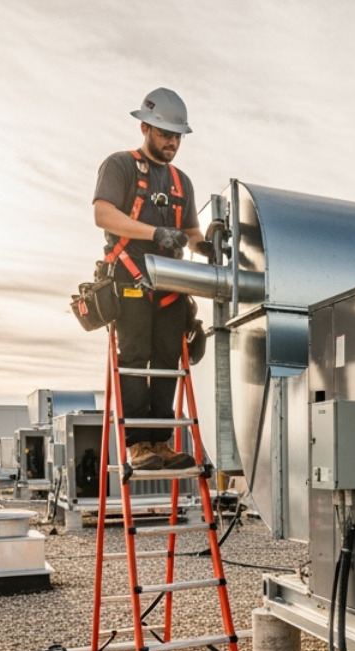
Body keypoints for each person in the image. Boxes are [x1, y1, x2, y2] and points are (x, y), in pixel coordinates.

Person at [93, 87, 214, 471]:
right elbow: (104, 214)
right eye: (165, 134)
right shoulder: (120, 166)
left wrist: (208, 247)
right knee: (134, 359)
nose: (172, 142)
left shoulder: (182, 182)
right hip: (130, 279)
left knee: (167, 359)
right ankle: (137, 446)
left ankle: (160, 442)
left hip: (171, 287)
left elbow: (192, 232)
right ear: (145, 128)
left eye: (177, 136)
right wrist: (155, 233)